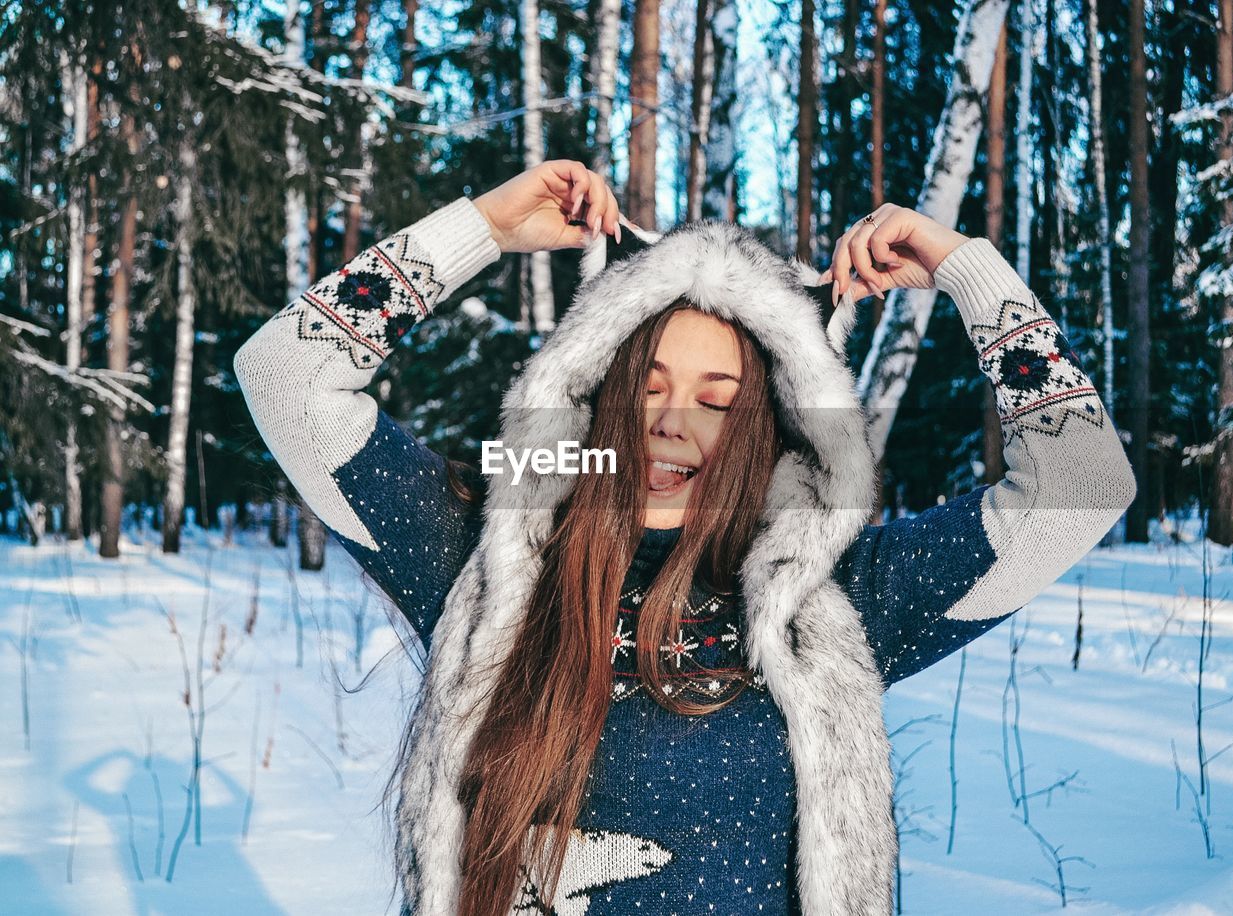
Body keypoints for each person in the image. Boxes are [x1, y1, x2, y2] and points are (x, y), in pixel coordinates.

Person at [234, 160, 1135, 916]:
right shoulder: (495, 552)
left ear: (768, 431)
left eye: (717, 401)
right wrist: (481, 229)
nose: (671, 422)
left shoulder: (830, 601)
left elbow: (1080, 485)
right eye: (649, 387)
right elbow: (286, 376)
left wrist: (968, 269)